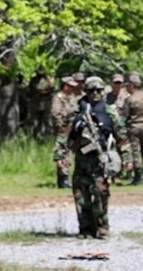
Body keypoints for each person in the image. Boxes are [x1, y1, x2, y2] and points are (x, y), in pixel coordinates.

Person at [54, 76, 132, 239]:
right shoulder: (76, 110)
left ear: (103, 91)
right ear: (86, 92)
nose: (95, 94)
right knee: (80, 195)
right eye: (91, 91)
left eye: (98, 90)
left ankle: (102, 228)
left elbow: (122, 136)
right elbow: (64, 133)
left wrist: (127, 158)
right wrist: (60, 154)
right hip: (82, 159)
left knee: (100, 194)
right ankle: (85, 229)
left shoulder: (110, 111)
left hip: (100, 160)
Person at [122, 72, 143, 184]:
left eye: (128, 86)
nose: (126, 88)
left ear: (132, 85)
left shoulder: (130, 100)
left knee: (136, 151)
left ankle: (138, 176)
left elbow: (125, 115)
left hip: (134, 128)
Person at [51, 75, 80, 187]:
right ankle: (62, 179)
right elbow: (56, 114)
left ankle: (67, 176)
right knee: (61, 152)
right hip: (63, 129)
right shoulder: (58, 98)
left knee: (69, 153)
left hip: (72, 129)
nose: (72, 89)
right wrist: (62, 126)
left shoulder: (73, 97)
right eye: (70, 86)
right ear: (65, 86)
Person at [28, 67, 57, 138]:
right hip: (35, 104)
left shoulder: (49, 79)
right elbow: (29, 92)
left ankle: (48, 138)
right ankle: (35, 137)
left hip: (46, 104)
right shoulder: (33, 80)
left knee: (48, 122)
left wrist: (44, 92)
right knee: (35, 123)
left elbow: (52, 91)